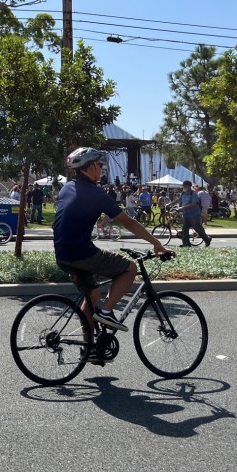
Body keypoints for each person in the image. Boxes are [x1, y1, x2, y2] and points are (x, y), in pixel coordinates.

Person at [53, 147, 170, 344]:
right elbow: (129, 222)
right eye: (100, 165)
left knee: (93, 294)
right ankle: (106, 311)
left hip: (63, 253)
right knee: (129, 268)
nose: (102, 169)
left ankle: (89, 347)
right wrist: (157, 243)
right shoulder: (95, 193)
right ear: (90, 167)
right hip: (82, 253)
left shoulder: (67, 188)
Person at [172, 180, 212, 247]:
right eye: (183, 186)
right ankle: (186, 244)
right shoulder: (183, 193)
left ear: (189, 186)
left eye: (184, 186)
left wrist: (182, 208)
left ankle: (207, 240)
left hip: (194, 215)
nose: (183, 187)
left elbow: (194, 204)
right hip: (186, 215)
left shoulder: (193, 194)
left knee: (198, 229)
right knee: (184, 229)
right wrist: (169, 204)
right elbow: (179, 199)